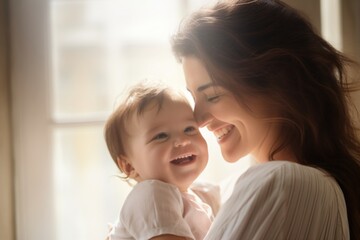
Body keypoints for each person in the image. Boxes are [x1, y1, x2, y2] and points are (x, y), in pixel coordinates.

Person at [169, 0, 360, 239]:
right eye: (194, 97)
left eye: (213, 95)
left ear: (279, 84)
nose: (199, 120)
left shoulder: (278, 183)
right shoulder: (327, 188)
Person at [104, 80, 220, 240]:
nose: (182, 140)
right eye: (161, 136)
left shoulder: (200, 194)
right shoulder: (151, 195)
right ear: (130, 166)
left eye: (189, 129)